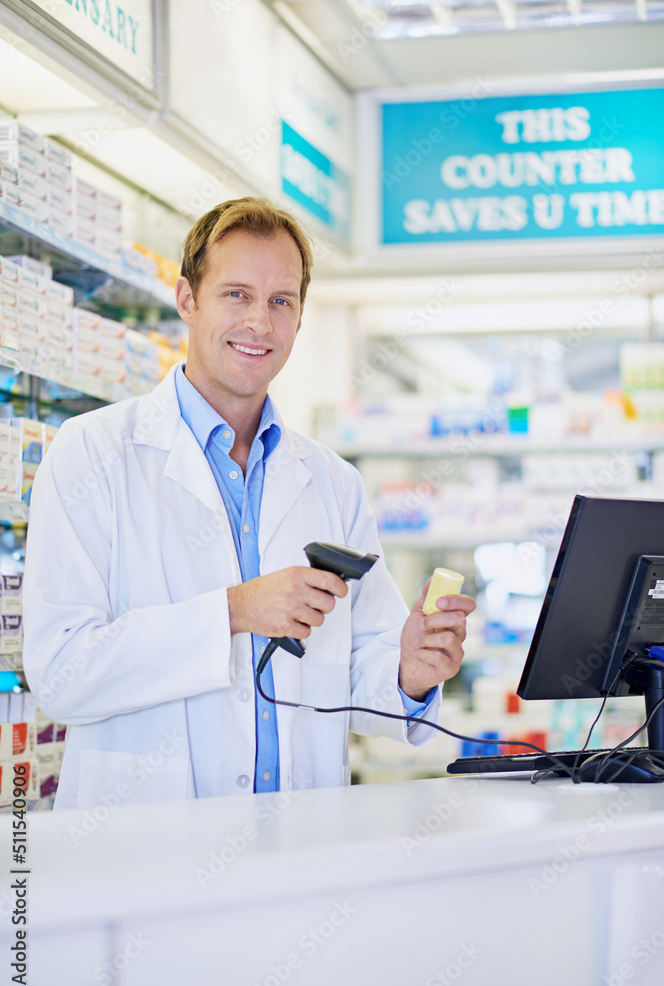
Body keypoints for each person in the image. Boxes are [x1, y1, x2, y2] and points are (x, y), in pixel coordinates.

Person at [23, 197, 476, 809]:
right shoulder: (93, 452)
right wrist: (233, 611)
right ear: (187, 299)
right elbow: (60, 674)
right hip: (145, 855)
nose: (260, 322)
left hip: (298, 848)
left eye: (280, 301)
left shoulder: (333, 481)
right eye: (236, 294)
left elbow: (359, 672)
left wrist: (410, 670)